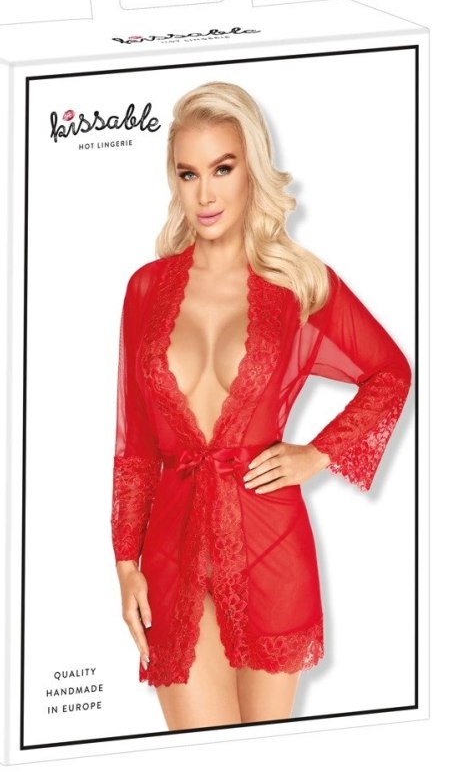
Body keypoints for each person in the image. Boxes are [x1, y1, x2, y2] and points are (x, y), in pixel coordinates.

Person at [110, 81, 412, 731]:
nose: (205, 194)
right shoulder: (145, 290)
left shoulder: (294, 283)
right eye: (188, 173)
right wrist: (124, 565)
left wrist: (317, 454)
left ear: (252, 167)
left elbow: (390, 374)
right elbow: (135, 448)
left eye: (222, 168)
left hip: (270, 543)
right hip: (171, 554)